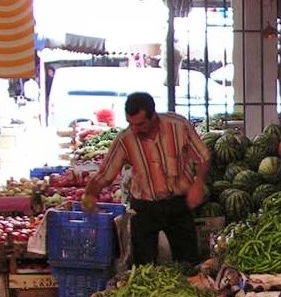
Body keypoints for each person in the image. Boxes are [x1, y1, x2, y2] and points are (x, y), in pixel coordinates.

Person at [81, 92, 210, 265]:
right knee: (143, 265)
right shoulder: (125, 139)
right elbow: (104, 175)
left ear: (153, 116)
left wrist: (198, 183)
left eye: (140, 124)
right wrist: (90, 194)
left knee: (188, 262)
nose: (135, 129)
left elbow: (203, 156)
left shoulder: (178, 126)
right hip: (144, 208)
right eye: (130, 123)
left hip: (178, 204)